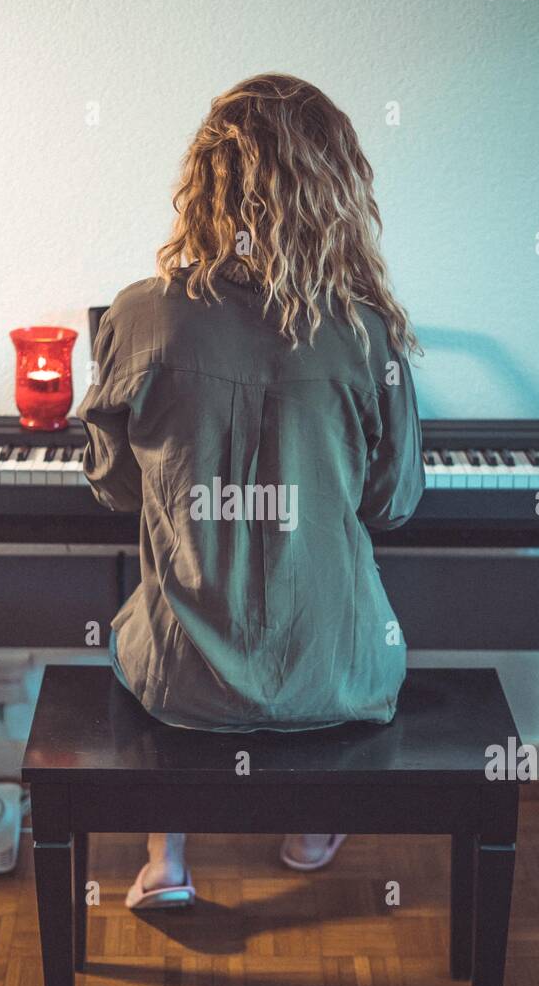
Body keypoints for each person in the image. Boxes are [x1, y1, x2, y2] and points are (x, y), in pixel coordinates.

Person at [77, 73, 425, 909]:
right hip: (335, 675)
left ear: (207, 184)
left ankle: (168, 857)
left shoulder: (140, 316)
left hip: (183, 683)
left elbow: (117, 491)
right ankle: (310, 827)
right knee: (319, 615)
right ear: (333, 191)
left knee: (148, 619)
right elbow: (394, 503)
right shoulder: (365, 330)